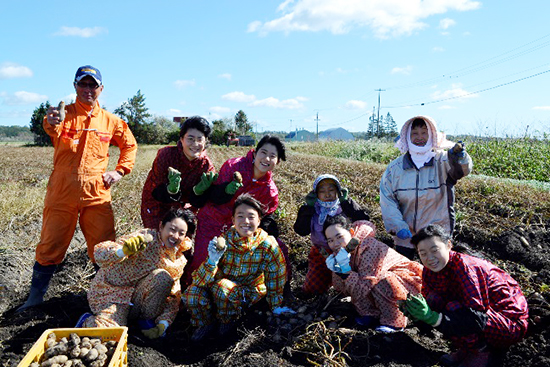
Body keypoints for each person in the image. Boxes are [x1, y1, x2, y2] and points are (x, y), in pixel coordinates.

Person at [19, 65, 137, 311]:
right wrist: (51, 120)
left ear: (101, 89)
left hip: (96, 192)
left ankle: (106, 298)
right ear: (75, 86)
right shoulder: (63, 115)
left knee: (104, 246)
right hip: (62, 191)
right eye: (83, 84)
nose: (88, 89)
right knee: (50, 244)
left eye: (92, 85)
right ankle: (34, 299)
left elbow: (129, 145)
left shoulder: (111, 121)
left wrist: (119, 171)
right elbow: (51, 126)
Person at [404, 224, 528, 367]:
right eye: (423, 253)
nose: (429, 258)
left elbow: (476, 316)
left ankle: (481, 349)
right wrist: (415, 311)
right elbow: (430, 301)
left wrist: (434, 318)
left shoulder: (465, 267)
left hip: (509, 324)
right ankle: (467, 347)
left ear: (449, 245)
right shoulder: (428, 271)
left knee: (453, 307)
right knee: (435, 300)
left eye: (434, 250)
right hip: (482, 316)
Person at [184, 135, 288, 287]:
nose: (266, 158)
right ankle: (191, 291)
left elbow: (264, 218)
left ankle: (223, 297)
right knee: (203, 260)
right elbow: (214, 195)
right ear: (254, 153)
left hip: (239, 230)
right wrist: (227, 191)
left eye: (272, 156)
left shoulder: (269, 191)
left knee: (230, 268)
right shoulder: (234, 166)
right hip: (213, 219)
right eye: (263, 153)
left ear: (277, 161)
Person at [78, 208, 196, 340]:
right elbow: (100, 254)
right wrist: (123, 251)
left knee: (163, 277)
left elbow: (173, 297)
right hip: (112, 295)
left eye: (181, 233)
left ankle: (142, 323)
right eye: (172, 229)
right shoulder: (144, 239)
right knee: (109, 335)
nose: (175, 236)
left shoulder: (178, 261)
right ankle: (88, 321)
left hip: (138, 303)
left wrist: (163, 324)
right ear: (161, 226)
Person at [184, 194, 287, 341]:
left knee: (223, 287)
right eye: (240, 216)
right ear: (233, 220)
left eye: (251, 217)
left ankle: (227, 322)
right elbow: (199, 282)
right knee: (192, 294)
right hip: (218, 290)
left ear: (259, 221)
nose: (246, 221)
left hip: (246, 294)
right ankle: (206, 324)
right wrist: (212, 261)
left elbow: (276, 277)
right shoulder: (223, 241)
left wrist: (275, 306)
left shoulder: (267, 245)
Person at [380, 115, 473, 259]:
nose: (420, 137)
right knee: (405, 276)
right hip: (405, 239)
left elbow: (462, 171)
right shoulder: (395, 168)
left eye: (424, 133)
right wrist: (398, 226)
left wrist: (459, 158)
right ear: (407, 136)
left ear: (431, 135)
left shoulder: (442, 161)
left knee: (436, 277)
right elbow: (387, 199)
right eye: (415, 133)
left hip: (435, 238)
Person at [323, 215, 423, 333]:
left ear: (351, 232)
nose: (335, 243)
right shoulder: (341, 253)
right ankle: (370, 313)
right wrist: (337, 271)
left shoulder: (368, 247)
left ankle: (394, 321)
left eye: (339, 237)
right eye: (330, 240)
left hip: (407, 283)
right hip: (373, 284)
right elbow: (341, 287)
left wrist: (345, 272)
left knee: (381, 281)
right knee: (357, 279)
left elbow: (365, 285)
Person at [294, 174, 370, 295]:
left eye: (331, 190)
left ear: (338, 192)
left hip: (346, 252)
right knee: (312, 289)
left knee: (348, 286)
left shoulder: (343, 206)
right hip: (321, 253)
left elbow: (364, 219)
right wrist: (308, 208)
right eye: (322, 191)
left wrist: (346, 202)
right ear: (316, 194)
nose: (327, 194)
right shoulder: (313, 209)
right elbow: (301, 231)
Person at [141, 116, 216, 229]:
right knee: (156, 239)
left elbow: (200, 201)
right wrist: (171, 190)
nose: (195, 144)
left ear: (205, 142)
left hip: (184, 209)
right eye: (190, 138)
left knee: (181, 243)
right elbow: (155, 189)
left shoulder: (206, 166)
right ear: (181, 139)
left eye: (200, 139)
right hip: (157, 205)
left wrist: (198, 192)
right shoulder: (166, 156)